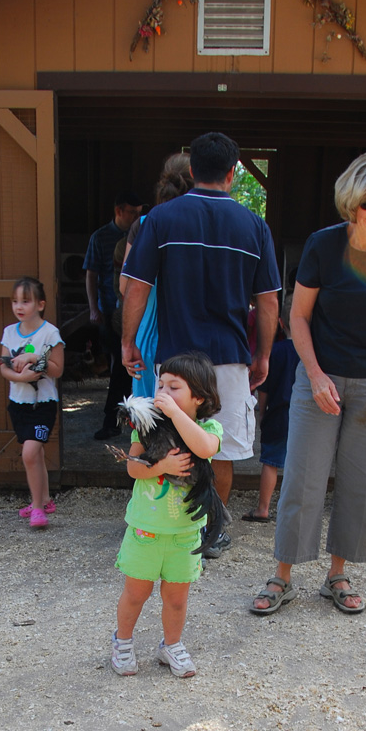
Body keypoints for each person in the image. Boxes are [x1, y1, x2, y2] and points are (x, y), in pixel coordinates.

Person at [250, 151, 366, 618]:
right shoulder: (323, 245)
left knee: (362, 484)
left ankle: (338, 575)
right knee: (302, 478)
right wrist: (314, 373)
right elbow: (298, 315)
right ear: (351, 201)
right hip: (319, 378)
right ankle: (282, 575)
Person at [122, 132, 281, 560]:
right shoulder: (254, 225)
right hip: (228, 356)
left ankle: (174, 523)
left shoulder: (161, 219)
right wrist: (263, 353)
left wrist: (128, 341)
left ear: (192, 171)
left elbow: (136, 288)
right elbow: (268, 300)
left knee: (166, 440)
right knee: (221, 447)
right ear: (233, 173)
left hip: (175, 357)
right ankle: (212, 529)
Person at [111, 355, 222, 680]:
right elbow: (133, 468)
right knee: (136, 593)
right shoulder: (146, 429)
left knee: (176, 599)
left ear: (199, 397)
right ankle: (123, 642)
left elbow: (204, 449)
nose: (163, 391)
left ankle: (171, 645)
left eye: (174, 387)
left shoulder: (208, 428)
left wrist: (175, 413)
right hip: (146, 531)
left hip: (185, 533)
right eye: (161, 384)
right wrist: (160, 467)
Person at [118, 153, 194, 398]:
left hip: (148, 334)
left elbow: (125, 286)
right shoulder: (202, 224)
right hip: (191, 333)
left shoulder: (144, 223)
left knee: (147, 417)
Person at [0, 276, 64, 529]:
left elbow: (57, 369)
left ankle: (37, 509)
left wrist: (35, 357)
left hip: (42, 404)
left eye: (25, 301)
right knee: (35, 453)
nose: (19, 306)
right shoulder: (9, 332)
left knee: (30, 453)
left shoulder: (50, 333)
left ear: (41, 304)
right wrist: (20, 376)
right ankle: (45, 499)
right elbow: (3, 367)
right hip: (18, 402)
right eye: (15, 301)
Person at [86, 190, 142, 440]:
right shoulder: (102, 238)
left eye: (139, 213)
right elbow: (93, 275)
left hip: (135, 314)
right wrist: (94, 308)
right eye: (132, 212)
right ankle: (114, 419)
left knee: (126, 369)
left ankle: (126, 419)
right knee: (119, 367)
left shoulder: (142, 232)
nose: (136, 217)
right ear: (119, 210)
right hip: (113, 311)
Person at [242, 315, 299, 523]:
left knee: (270, 462)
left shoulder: (276, 351)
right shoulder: (313, 353)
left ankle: (263, 508)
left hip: (278, 412)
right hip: (305, 414)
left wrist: (263, 412)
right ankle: (296, 509)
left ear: (282, 323)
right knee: (302, 463)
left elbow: (264, 388)